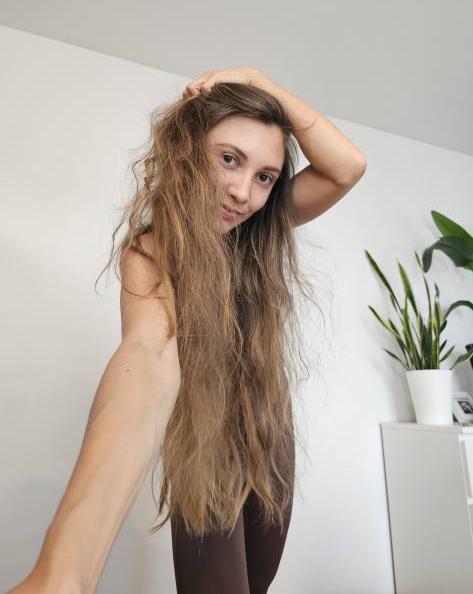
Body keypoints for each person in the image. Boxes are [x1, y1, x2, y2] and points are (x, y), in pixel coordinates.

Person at [8, 67, 366, 594]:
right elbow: (148, 352)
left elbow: (346, 166)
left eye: (265, 177)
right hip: (206, 446)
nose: (242, 193)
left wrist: (258, 80)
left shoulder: (258, 232)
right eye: (229, 159)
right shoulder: (151, 252)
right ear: (187, 150)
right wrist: (63, 571)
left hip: (270, 432)